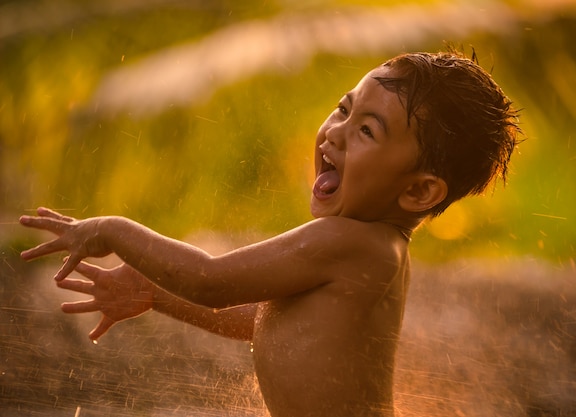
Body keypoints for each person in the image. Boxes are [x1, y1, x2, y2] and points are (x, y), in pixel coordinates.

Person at [19, 51, 520, 417]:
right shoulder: (361, 245)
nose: (335, 133)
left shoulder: (354, 244)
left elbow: (210, 280)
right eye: (344, 110)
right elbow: (260, 320)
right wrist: (155, 294)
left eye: (367, 131)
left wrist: (113, 229)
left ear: (418, 192)